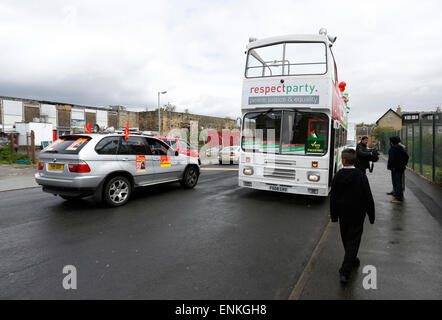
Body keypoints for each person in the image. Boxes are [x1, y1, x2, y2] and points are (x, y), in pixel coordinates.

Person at [330, 148, 375, 284]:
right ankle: (345, 270)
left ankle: (350, 262)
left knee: (346, 239)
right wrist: (371, 215)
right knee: (353, 241)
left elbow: (334, 198)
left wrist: (334, 216)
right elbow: (368, 196)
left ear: (343, 160)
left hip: (343, 214)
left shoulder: (338, 176)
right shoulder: (361, 176)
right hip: (357, 214)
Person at [387, 136, 409, 203]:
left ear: (391, 142)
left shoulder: (392, 149)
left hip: (395, 169)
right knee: (399, 182)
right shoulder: (401, 148)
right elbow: (407, 157)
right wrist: (404, 164)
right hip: (401, 168)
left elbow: (391, 160)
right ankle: (399, 196)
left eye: (389, 141)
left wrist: (390, 167)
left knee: (397, 182)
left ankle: (398, 198)